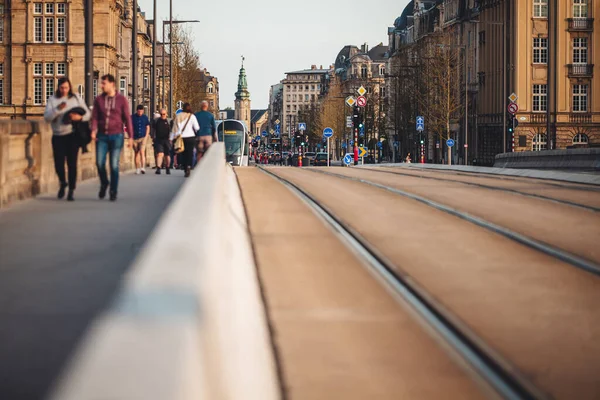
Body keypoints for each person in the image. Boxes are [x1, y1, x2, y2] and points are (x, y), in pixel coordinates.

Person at [43, 77, 91, 201]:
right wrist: (58, 109)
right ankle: (63, 182)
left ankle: (71, 190)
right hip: (58, 135)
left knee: (72, 163)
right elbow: (47, 117)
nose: (64, 90)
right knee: (58, 163)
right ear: (58, 88)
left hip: (72, 135)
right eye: (62, 88)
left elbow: (87, 114)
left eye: (66, 87)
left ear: (69, 87)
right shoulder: (53, 99)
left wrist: (78, 118)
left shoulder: (75, 98)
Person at [91, 74, 134, 201]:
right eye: (101, 83)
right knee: (99, 163)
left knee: (114, 165)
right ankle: (104, 183)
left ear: (112, 84)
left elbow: (127, 118)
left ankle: (113, 190)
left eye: (104, 83)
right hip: (102, 135)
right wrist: (93, 130)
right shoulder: (99, 100)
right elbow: (94, 117)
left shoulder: (122, 100)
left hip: (117, 135)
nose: (101, 86)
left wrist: (131, 137)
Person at [171, 103, 199, 178]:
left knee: (183, 153)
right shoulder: (192, 116)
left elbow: (175, 127)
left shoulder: (178, 116)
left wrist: (172, 138)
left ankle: (185, 166)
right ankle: (189, 166)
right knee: (190, 153)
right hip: (191, 137)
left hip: (181, 137)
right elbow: (197, 128)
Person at [131, 104, 150, 174]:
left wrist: (146, 136)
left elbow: (148, 127)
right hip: (135, 138)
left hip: (143, 137)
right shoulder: (132, 117)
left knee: (142, 152)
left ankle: (143, 167)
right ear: (137, 111)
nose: (140, 113)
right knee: (136, 153)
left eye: (141, 112)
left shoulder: (145, 117)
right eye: (139, 112)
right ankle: (137, 168)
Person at [154, 109, 171, 175]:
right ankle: (158, 168)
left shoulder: (169, 121)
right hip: (159, 139)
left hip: (167, 140)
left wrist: (171, 138)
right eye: (161, 114)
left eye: (163, 114)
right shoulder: (157, 121)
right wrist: (153, 137)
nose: (162, 115)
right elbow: (154, 129)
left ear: (166, 114)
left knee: (167, 155)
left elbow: (172, 130)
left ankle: (168, 167)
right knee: (159, 154)